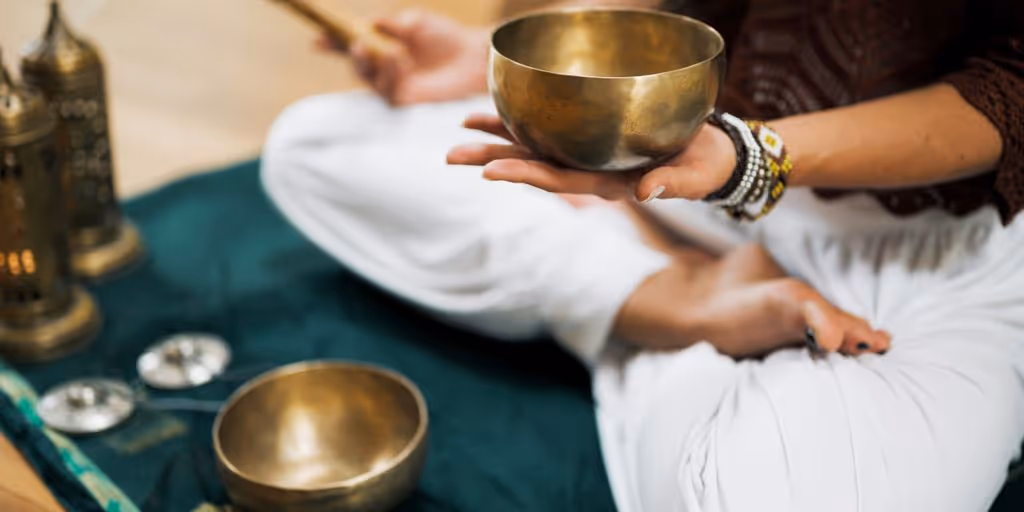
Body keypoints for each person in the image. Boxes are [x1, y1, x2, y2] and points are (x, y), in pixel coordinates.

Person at [262, 1, 1024, 510]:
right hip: (693, 163)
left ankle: (634, 304)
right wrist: (524, 80)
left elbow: (1011, 90)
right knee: (313, 146)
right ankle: (680, 299)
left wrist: (748, 157)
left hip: (936, 244)